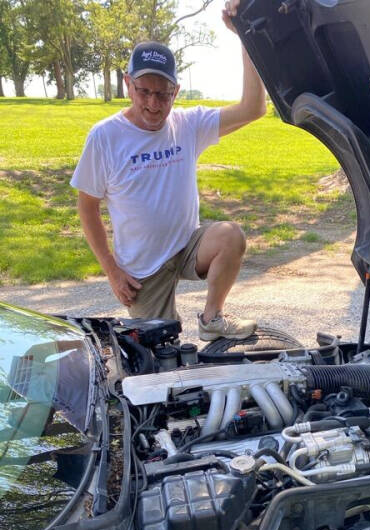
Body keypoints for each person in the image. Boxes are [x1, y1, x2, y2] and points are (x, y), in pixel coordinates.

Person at [70, 0, 265, 340]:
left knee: (230, 236)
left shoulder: (187, 124)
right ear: (128, 83)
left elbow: (253, 108)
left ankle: (212, 319)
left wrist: (246, 38)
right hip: (142, 268)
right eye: (144, 91)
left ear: (175, 90)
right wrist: (113, 272)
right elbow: (87, 207)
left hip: (188, 245)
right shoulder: (105, 136)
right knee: (160, 358)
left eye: (163, 94)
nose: (153, 104)